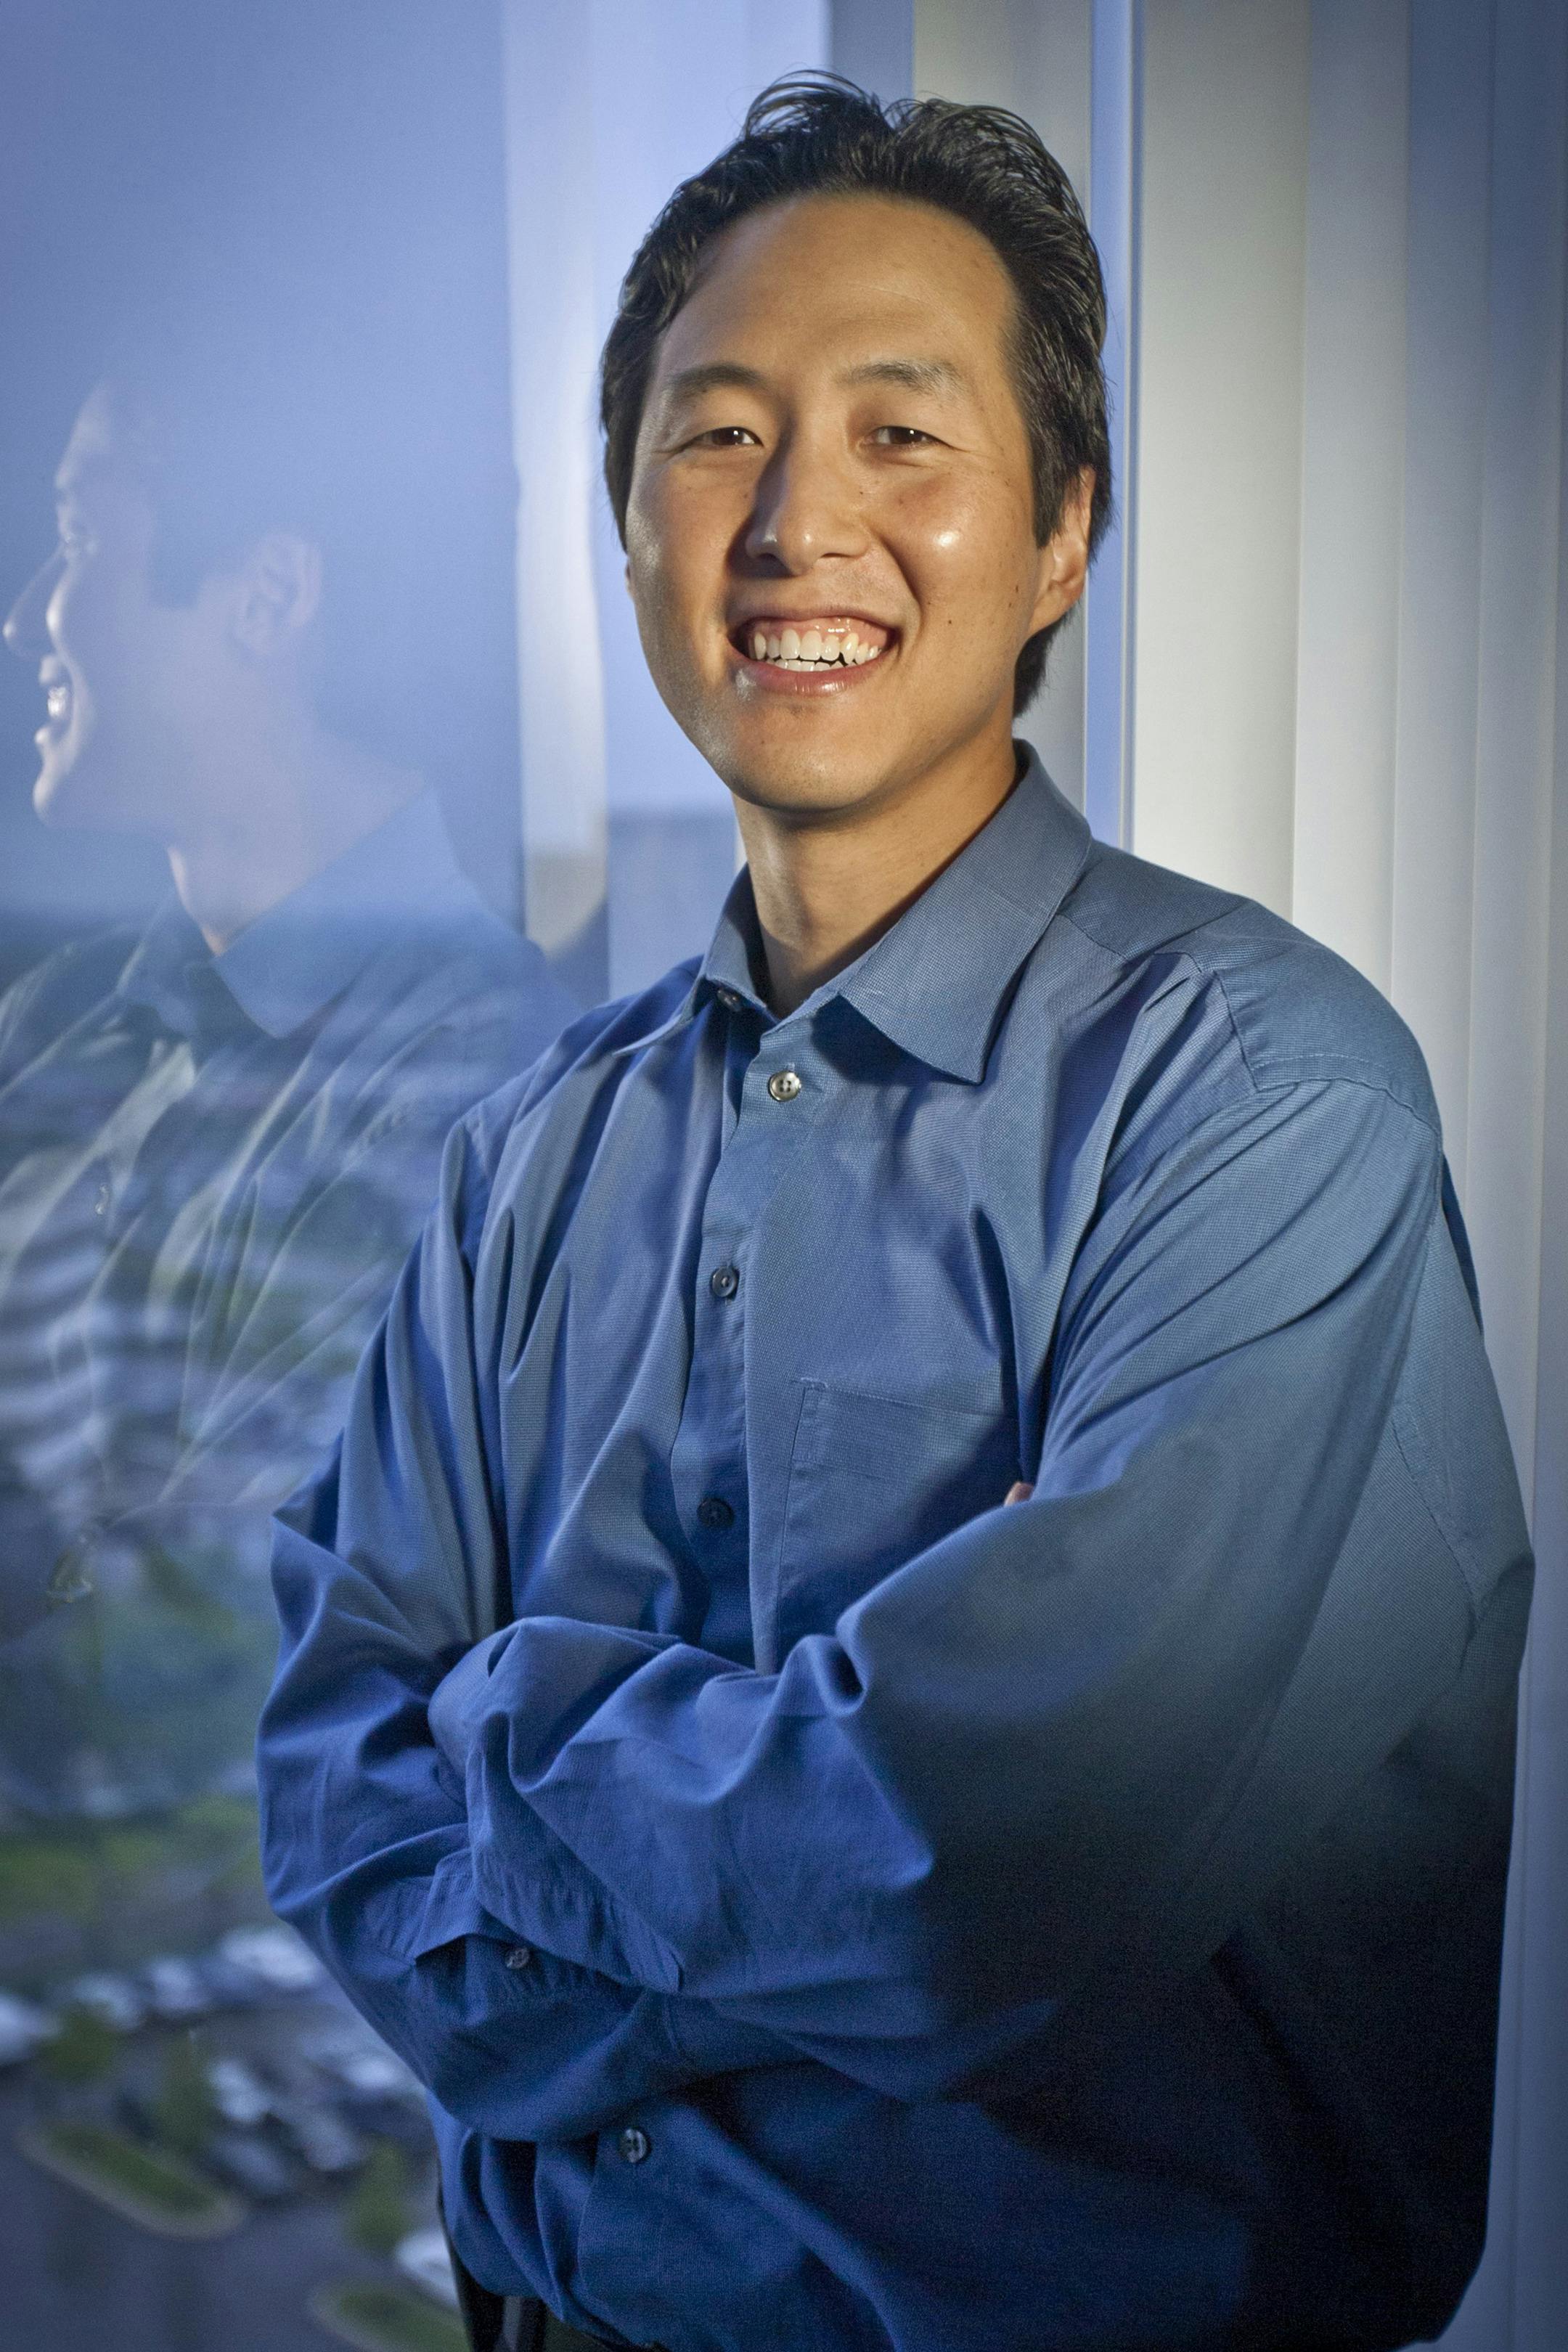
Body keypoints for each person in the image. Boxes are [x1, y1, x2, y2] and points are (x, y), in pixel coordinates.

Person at [258, 81, 1532, 2352]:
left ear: (1065, 538)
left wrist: (512, 1727)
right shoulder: (527, 1162)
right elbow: (325, 1785)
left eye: (903, 438)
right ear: (627, 523)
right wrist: (781, 1864)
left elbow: (975, 1874)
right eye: (720, 436)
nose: (794, 524)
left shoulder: (1255, 1101)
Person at [0, 322, 573, 1813]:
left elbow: (221, 1628)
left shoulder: (477, 1094)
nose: (30, 619)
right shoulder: (63, 1022)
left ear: (266, 596)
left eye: (78, 541)